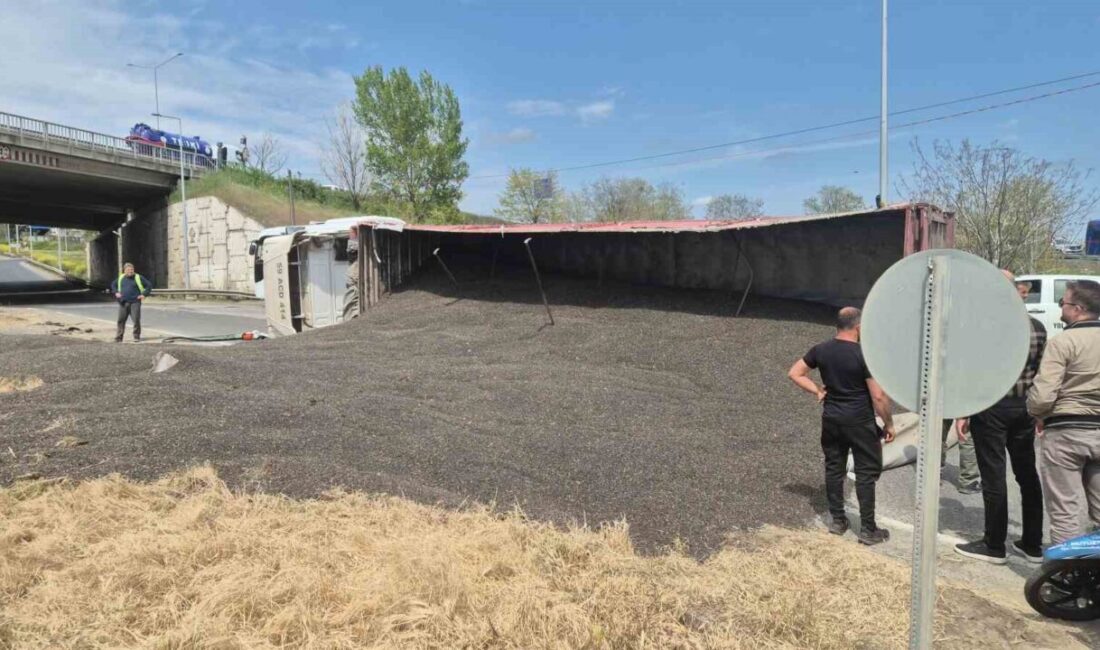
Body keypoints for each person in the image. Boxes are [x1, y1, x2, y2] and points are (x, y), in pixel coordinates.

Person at [954, 270, 1045, 564]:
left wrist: (964, 409)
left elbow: (975, 372)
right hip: (1024, 408)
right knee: (1027, 474)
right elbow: (1041, 372)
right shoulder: (1037, 327)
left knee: (994, 476)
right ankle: (1032, 543)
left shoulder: (984, 328)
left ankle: (994, 545)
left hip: (992, 407)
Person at [789, 307, 896, 545]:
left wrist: (817, 390)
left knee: (834, 468)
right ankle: (868, 530)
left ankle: (838, 521)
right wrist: (889, 423)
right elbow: (878, 396)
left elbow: (795, 373)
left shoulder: (821, 350)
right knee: (866, 473)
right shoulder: (864, 355)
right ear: (858, 328)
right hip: (859, 422)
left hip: (832, 419)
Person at [1028, 279, 1100, 545]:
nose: (1061, 306)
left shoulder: (1063, 342)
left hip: (1066, 432)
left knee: (1065, 512)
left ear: (1078, 308)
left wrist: (1038, 414)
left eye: (1063, 302)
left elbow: (1043, 395)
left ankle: (1065, 578)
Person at [111, 262, 152, 342]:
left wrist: (144, 294)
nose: (130, 271)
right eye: (128, 270)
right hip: (123, 302)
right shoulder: (121, 278)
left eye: (132, 269)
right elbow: (113, 284)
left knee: (136, 320)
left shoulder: (138, 277)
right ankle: (119, 337)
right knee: (121, 320)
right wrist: (116, 292)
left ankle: (136, 336)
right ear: (124, 270)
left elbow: (148, 285)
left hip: (135, 302)